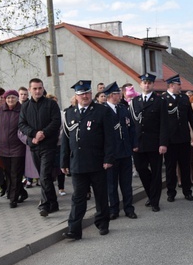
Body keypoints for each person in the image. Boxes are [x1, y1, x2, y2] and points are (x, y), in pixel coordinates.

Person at [60, 80, 116, 240]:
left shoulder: (101, 111)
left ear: (91, 94)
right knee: (78, 197)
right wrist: (64, 162)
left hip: (98, 162)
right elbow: (65, 139)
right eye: (81, 93)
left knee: (100, 196)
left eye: (87, 93)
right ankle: (74, 230)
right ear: (76, 96)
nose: (85, 96)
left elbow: (109, 138)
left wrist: (108, 158)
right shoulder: (69, 113)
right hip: (77, 163)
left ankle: (102, 223)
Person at [18, 78, 61, 217]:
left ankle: (44, 204)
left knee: (43, 176)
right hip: (34, 146)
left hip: (48, 145)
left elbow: (56, 122)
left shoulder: (51, 105)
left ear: (43, 89)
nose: (37, 91)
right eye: (35, 88)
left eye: (40, 88)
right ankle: (53, 204)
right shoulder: (25, 107)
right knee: (45, 176)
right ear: (30, 90)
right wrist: (34, 134)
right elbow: (22, 124)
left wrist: (44, 133)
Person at [131, 73, 168, 212]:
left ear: (153, 85)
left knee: (156, 172)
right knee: (141, 169)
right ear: (140, 84)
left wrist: (163, 143)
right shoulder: (134, 101)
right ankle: (151, 194)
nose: (146, 85)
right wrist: (133, 143)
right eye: (144, 82)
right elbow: (133, 125)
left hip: (155, 144)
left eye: (149, 83)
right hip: (139, 144)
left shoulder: (160, 101)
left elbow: (164, 124)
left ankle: (155, 201)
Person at [103, 81, 137, 219]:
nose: (120, 95)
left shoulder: (123, 109)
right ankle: (114, 209)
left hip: (125, 152)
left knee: (126, 184)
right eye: (117, 93)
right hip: (111, 154)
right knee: (111, 184)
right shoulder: (103, 111)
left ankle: (129, 208)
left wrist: (133, 144)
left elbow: (131, 128)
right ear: (111, 95)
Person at [163, 74, 193, 203]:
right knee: (170, 168)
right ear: (172, 85)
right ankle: (171, 192)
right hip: (170, 141)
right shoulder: (163, 99)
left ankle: (187, 191)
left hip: (183, 139)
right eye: (178, 85)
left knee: (185, 166)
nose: (181, 87)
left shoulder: (184, 98)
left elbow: (191, 119)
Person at [0, 90, 28, 208]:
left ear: (17, 98)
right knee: (8, 174)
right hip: (2, 148)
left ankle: (13, 198)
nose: (10, 100)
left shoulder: (23, 109)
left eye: (13, 97)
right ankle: (22, 192)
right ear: (5, 99)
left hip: (18, 147)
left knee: (16, 173)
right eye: (8, 98)